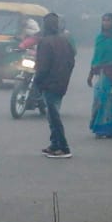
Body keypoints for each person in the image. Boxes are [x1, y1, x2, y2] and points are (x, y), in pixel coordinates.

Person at [34, 13, 76, 158]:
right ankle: (54, 144)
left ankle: (63, 148)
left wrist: (37, 81)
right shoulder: (65, 41)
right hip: (61, 82)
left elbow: (42, 67)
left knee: (54, 117)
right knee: (52, 115)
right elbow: (72, 61)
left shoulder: (45, 42)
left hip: (50, 83)